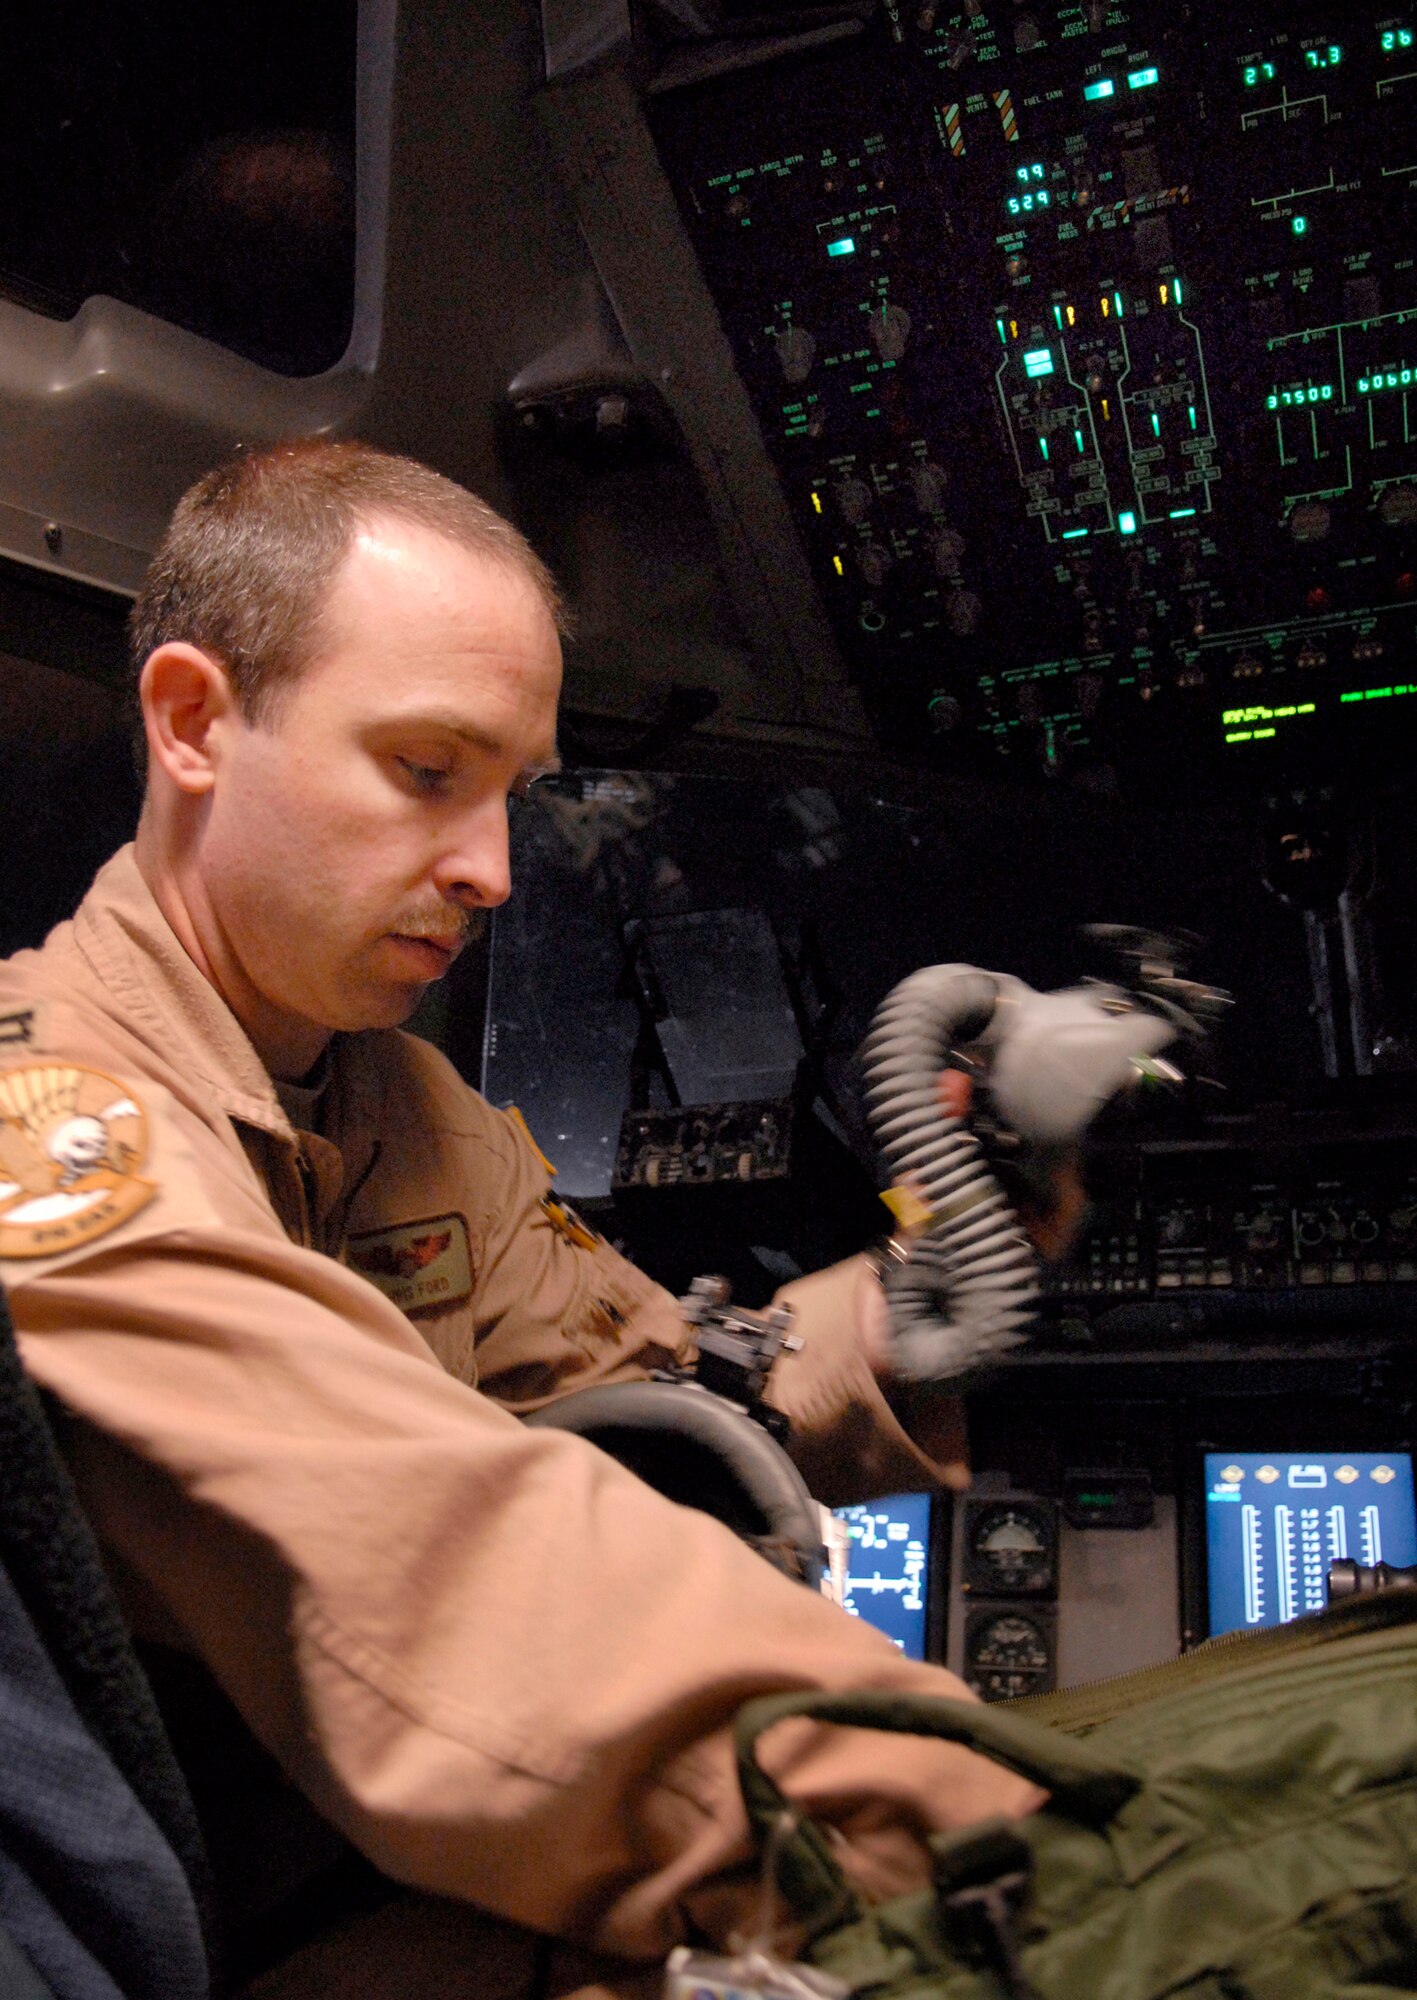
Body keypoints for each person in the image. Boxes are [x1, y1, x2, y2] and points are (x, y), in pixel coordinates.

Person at [0, 441, 1039, 1999]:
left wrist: (944, 1262)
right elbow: (438, 1576)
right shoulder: (51, 1126)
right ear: (193, 722)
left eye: (512, 795)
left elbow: (660, 1383)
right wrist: (1021, 1857)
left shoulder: (395, 1103)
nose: (490, 869)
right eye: (427, 770)